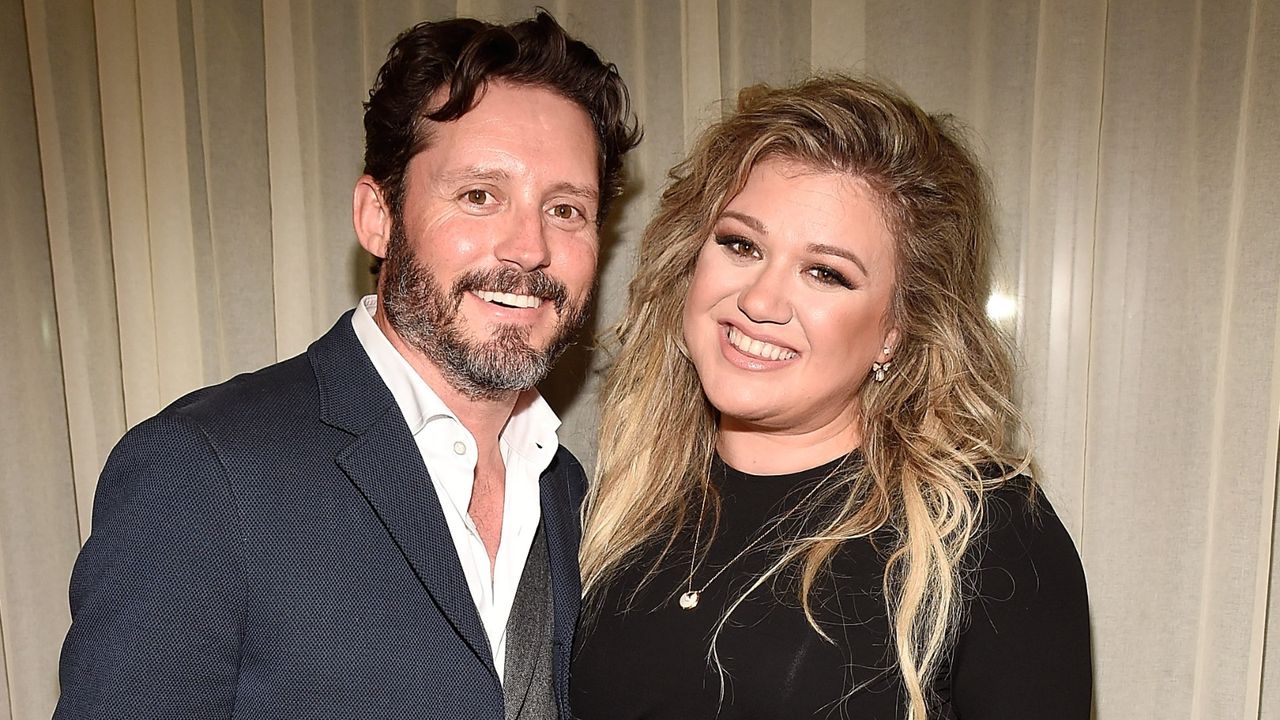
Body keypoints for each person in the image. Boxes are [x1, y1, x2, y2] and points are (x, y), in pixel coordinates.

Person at [54, 11, 639, 720]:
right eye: (479, 196)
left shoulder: (565, 488)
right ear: (378, 216)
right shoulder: (205, 473)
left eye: (567, 209)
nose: (529, 247)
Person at [571, 76, 1090, 719]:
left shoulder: (989, 535)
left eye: (826, 273)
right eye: (741, 244)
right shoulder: (615, 503)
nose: (759, 301)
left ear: (896, 329)